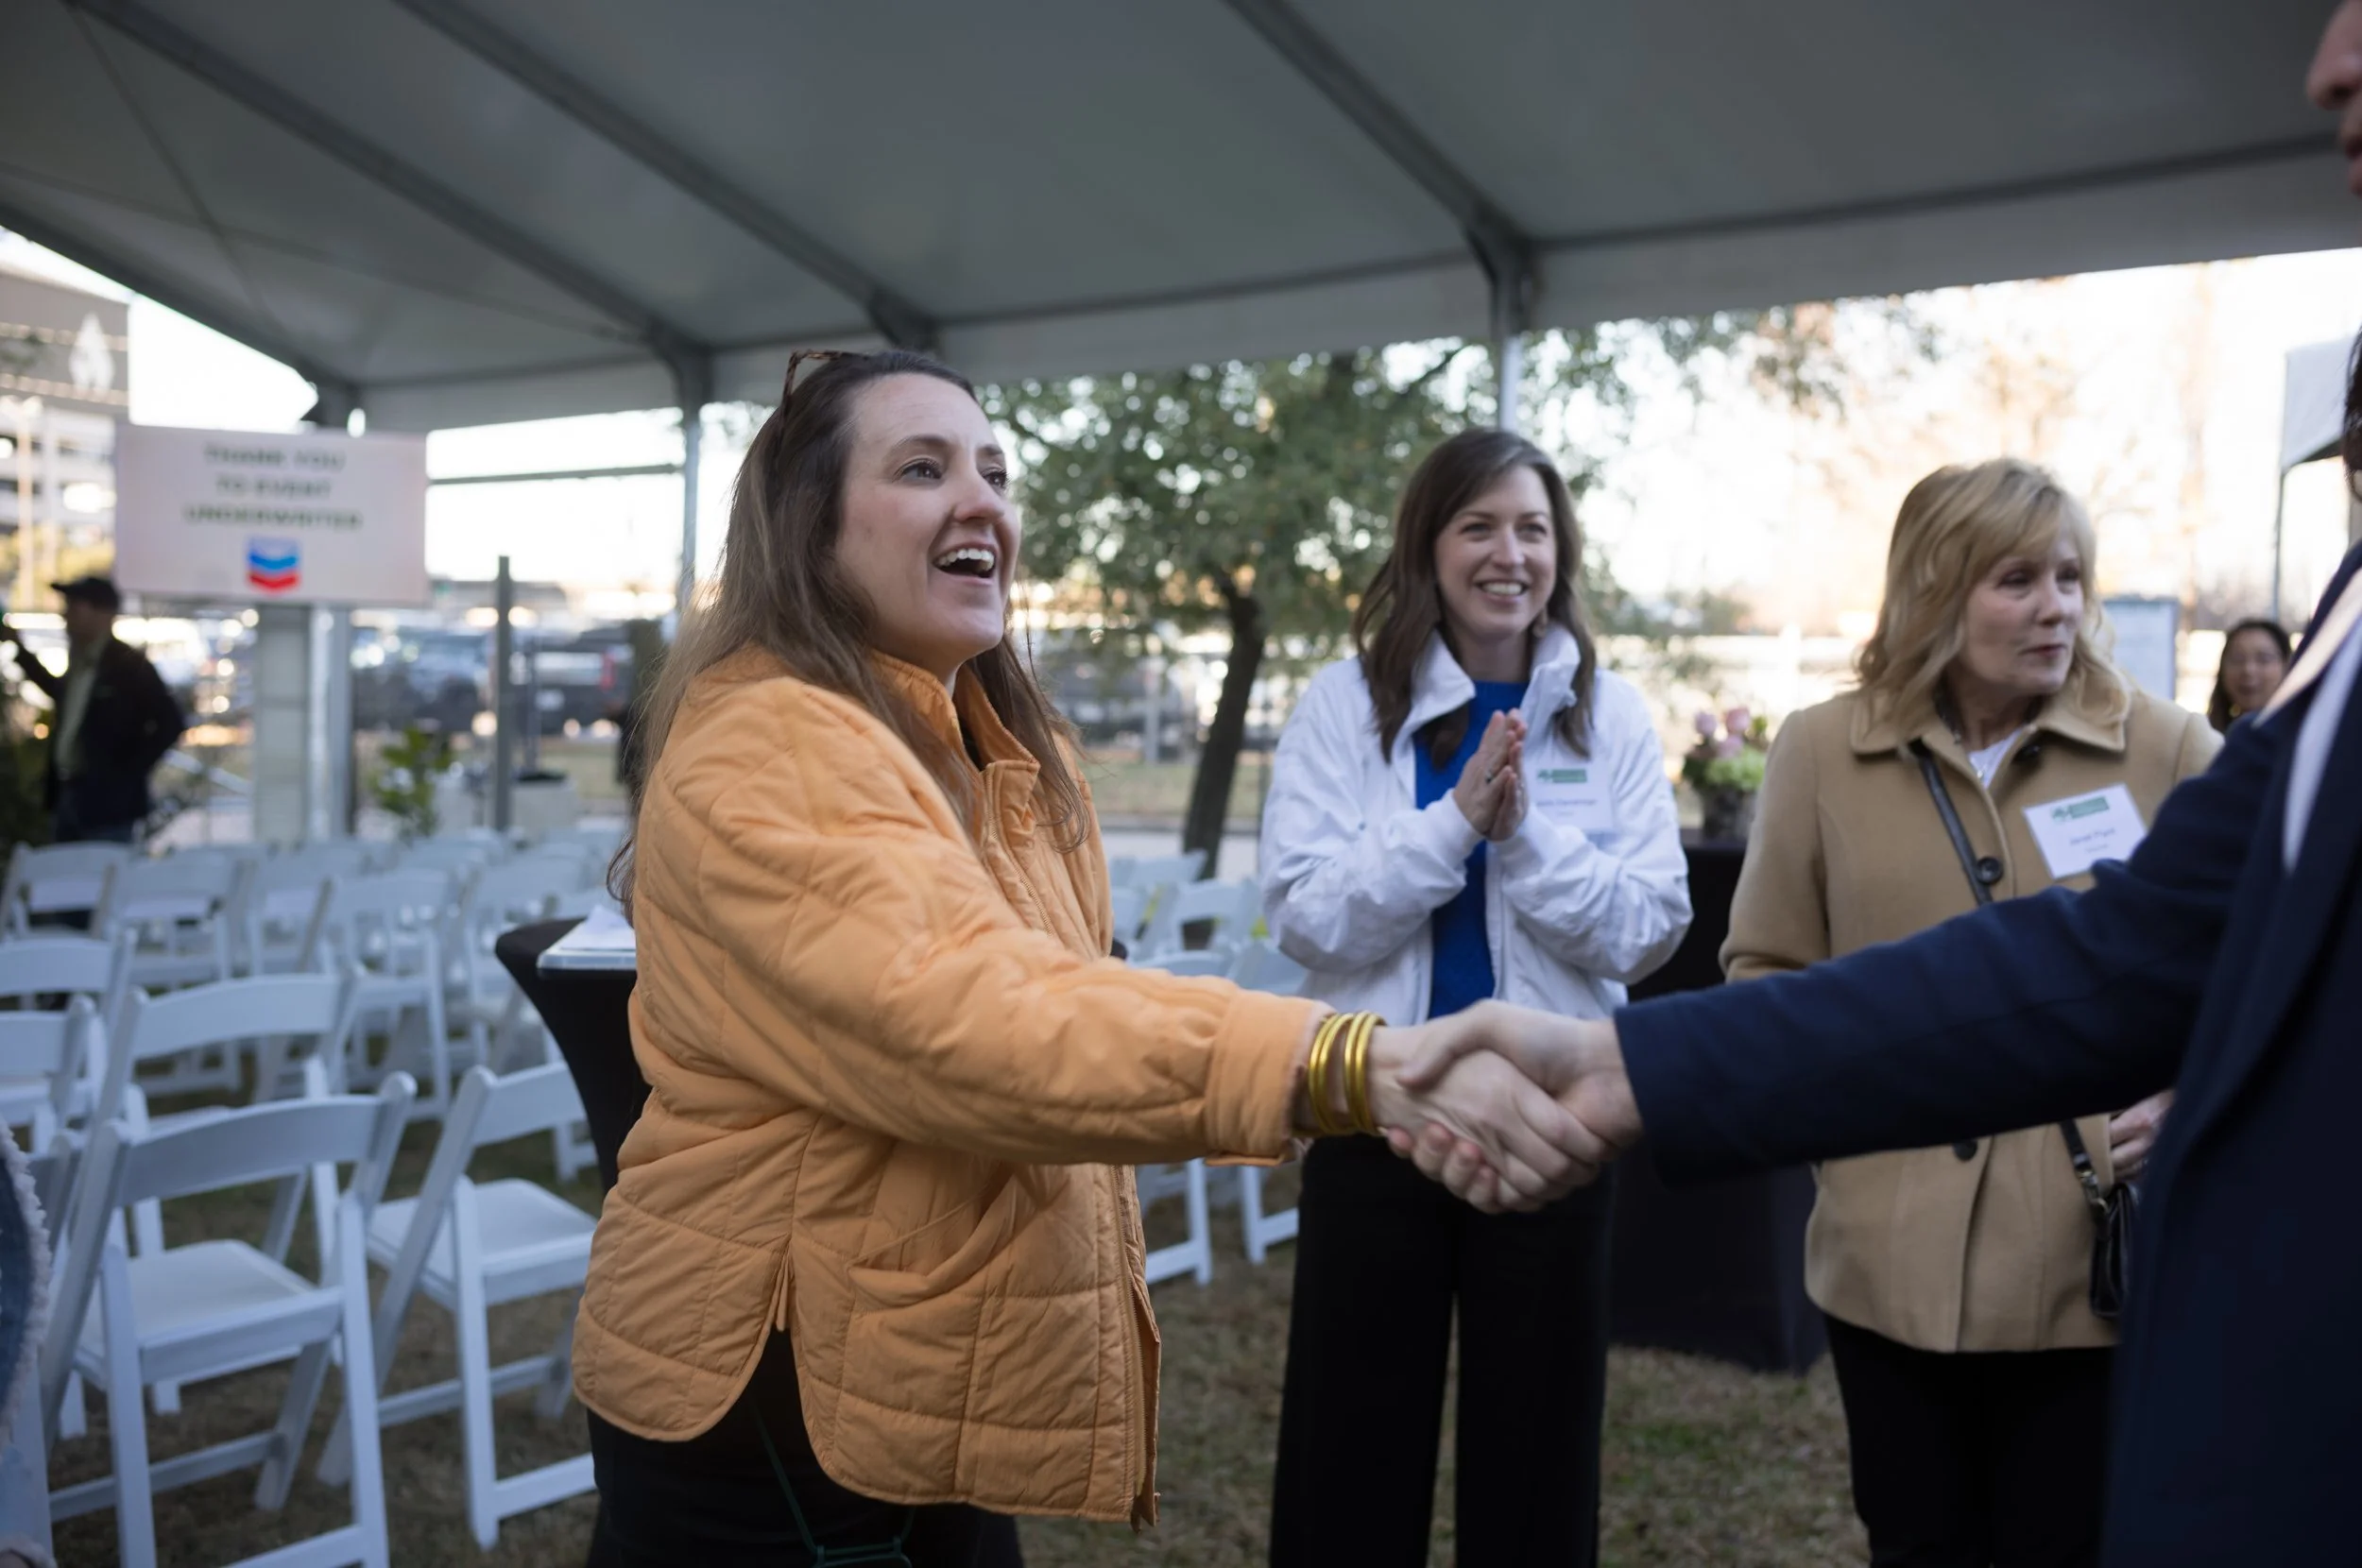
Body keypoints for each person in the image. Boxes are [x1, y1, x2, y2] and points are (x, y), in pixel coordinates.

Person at [573, 349, 1605, 1568]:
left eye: (996, 473)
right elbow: (977, 1019)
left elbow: (1073, 997)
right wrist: (1351, 1064)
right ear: (810, 527)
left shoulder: (997, 745)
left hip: (906, 1365)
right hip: (777, 1401)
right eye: (924, 468)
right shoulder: (772, 742)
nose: (985, 503)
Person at [1723, 458, 2210, 1568]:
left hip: (2091, 1276)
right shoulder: (1817, 751)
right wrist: (1848, 1142)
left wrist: (2195, 1090)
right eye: (2016, 579)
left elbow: (2275, 975)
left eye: (2070, 577)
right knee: (1914, 1540)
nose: (2056, 608)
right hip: (1884, 1262)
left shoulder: (2170, 752)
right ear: (1934, 587)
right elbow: (1765, 976)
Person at [1258, 428, 1690, 1567]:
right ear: (1428, 545)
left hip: (1550, 1132)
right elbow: (1305, 913)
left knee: (1539, 1464)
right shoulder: (1341, 706)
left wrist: (1525, 835)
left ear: (1562, 551)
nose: (1510, 553)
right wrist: (1452, 824)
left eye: (1533, 528)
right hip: (1377, 1115)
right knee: (1348, 1457)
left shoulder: (1614, 716)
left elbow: (1650, 929)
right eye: (1479, 525)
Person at [0, 576, 182, 844]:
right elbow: (61, 695)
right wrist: (20, 649)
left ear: (102, 613)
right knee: (67, 877)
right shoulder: (82, 660)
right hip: (68, 794)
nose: (66, 616)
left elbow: (170, 722)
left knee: (99, 876)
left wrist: (124, 776)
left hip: (107, 806)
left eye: (75, 607)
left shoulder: (127, 665)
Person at [2204, 616, 2290, 732]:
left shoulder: (2305, 738)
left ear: (2287, 665)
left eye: (2263, 659)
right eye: (2237, 659)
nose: (2248, 670)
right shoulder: (2206, 737)